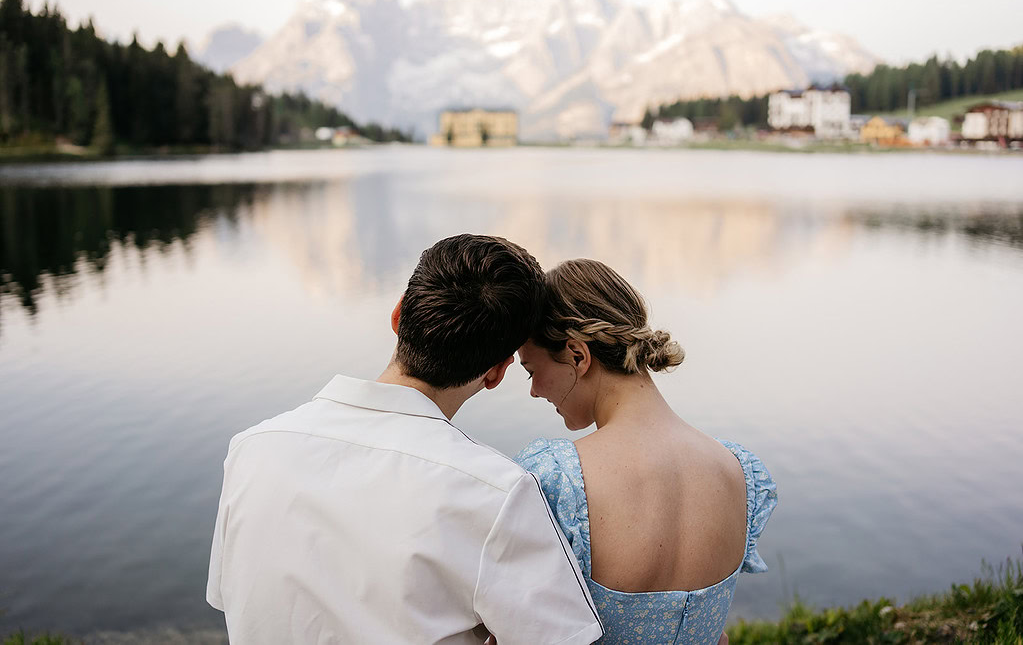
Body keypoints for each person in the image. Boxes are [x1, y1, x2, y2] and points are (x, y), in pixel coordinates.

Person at [207, 235, 604, 644]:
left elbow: (230, 597)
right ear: (496, 373)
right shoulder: (496, 493)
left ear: (398, 316)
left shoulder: (252, 449)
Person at [515, 259, 777, 645]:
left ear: (577, 354)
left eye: (530, 370)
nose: (534, 390)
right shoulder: (737, 472)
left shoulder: (558, 481)